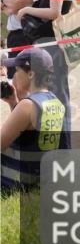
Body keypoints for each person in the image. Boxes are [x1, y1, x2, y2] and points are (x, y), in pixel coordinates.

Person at [16, 0, 77, 136]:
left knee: (57, 94)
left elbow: (54, 12)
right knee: (54, 93)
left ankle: (63, 143)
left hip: (52, 44)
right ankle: (57, 141)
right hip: (50, 44)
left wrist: (26, 11)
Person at [1, 48, 65, 193]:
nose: (14, 76)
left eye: (17, 71)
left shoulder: (27, 106)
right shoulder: (56, 103)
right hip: (34, 177)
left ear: (31, 74)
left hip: (11, 181)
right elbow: (29, 137)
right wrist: (13, 103)